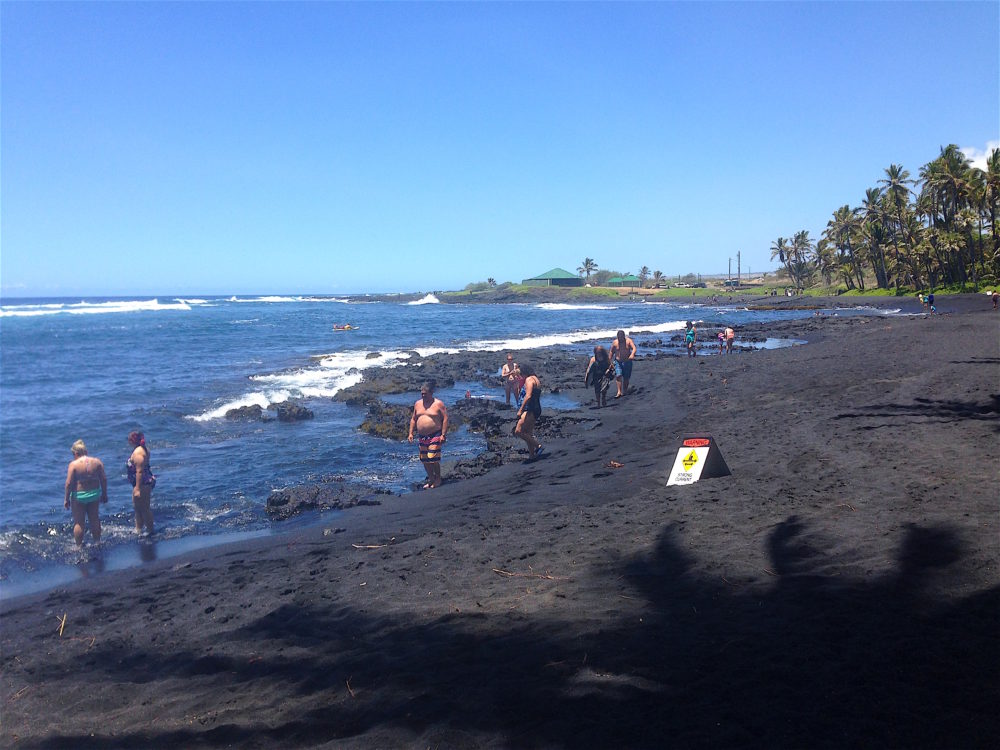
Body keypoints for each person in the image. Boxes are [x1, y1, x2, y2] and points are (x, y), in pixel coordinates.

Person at [64, 440, 108, 546]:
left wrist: (66, 499)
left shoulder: (74, 465)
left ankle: (78, 546)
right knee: (95, 519)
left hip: (79, 496)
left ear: (76, 453)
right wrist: (104, 494)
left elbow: (69, 483)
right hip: (94, 494)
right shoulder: (97, 462)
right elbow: (103, 479)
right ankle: (97, 542)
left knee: (79, 522)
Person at [408, 381, 448, 489]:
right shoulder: (418, 404)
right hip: (422, 436)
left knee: (432, 457)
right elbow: (413, 419)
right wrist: (410, 433)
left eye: (425, 394)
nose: (423, 396)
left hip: (435, 434)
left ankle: (438, 479)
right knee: (424, 459)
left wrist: (443, 434)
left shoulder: (438, 404)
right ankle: (431, 479)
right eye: (422, 394)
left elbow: (445, 418)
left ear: (431, 393)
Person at [127, 431, 156, 535]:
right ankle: (138, 529)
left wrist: (138, 489)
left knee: (144, 508)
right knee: (138, 508)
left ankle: (150, 531)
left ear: (132, 441)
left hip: (142, 483)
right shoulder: (142, 449)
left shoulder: (138, 453)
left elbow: (139, 471)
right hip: (141, 483)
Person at [514, 363, 543, 459]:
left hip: (530, 409)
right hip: (536, 408)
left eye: (521, 374)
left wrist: (520, 410)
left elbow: (528, 396)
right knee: (528, 433)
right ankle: (532, 455)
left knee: (518, 431)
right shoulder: (536, 379)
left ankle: (538, 446)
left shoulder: (529, 380)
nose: (521, 376)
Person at [610, 329, 637, 398]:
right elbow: (611, 352)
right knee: (618, 375)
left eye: (621, 337)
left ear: (624, 336)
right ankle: (619, 391)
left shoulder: (628, 341)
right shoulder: (615, 342)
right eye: (619, 337)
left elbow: (634, 348)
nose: (620, 339)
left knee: (626, 377)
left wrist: (632, 354)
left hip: (627, 361)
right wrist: (609, 362)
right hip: (618, 361)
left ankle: (625, 390)